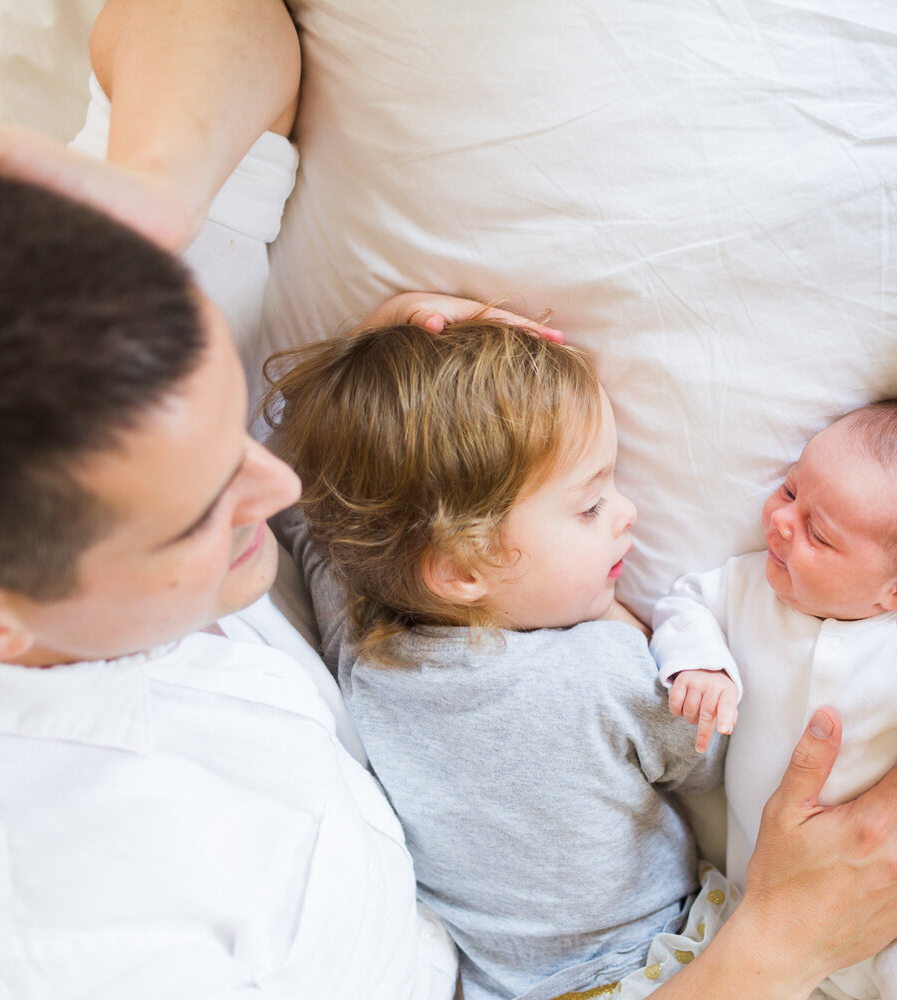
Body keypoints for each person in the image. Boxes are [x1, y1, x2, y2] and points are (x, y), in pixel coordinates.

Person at [0, 158, 897, 999]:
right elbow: (686, 751)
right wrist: (769, 953)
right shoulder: (70, 934)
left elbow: (226, 23)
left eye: (236, 430)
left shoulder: (281, 550)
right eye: (199, 506)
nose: (277, 483)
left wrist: (378, 378)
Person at [265, 309, 743, 999]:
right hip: (648, 968)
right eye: (589, 506)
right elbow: (706, 763)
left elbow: (310, 510)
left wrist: (377, 367)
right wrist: (624, 620)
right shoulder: (602, 671)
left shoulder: (366, 653)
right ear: (461, 571)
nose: (626, 512)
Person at [650, 393, 897, 1000]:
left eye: (819, 534)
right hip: (769, 884)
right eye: (790, 490)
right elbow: (683, 603)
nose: (782, 521)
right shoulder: (749, 585)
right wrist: (702, 663)